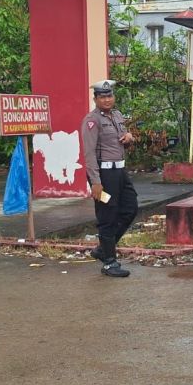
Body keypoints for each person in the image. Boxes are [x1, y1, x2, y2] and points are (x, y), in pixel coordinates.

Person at [80, 79, 138, 278]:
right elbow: (88, 154)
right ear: (95, 99)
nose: (107, 99)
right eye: (102, 96)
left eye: (109, 95)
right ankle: (109, 262)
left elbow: (122, 141)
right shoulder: (92, 120)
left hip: (120, 172)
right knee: (107, 216)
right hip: (104, 175)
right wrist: (95, 182)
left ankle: (104, 249)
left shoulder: (117, 115)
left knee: (130, 209)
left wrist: (129, 138)